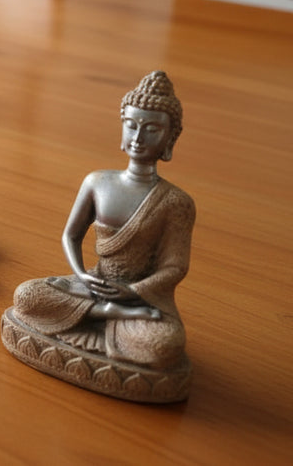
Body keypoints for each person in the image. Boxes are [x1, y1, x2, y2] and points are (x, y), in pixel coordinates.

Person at [11, 71, 195, 370]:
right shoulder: (97, 182)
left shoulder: (176, 202)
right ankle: (106, 312)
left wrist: (133, 292)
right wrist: (82, 276)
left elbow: (176, 267)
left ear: (170, 137)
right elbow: (71, 235)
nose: (138, 137)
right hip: (94, 283)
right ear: (122, 127)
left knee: (165, 345)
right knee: (27, 296)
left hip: (140, 297)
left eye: (151, 129)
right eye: (131, 125)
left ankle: (104, 314)